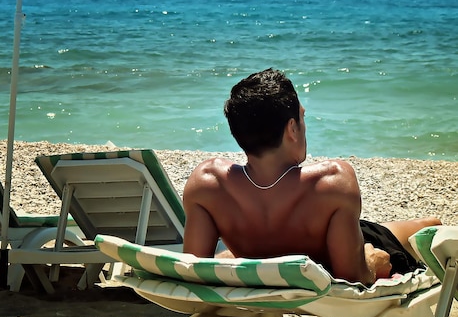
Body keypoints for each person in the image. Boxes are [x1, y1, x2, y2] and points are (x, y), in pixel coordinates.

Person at [182, 68, 441, 285]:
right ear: (292, 128)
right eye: (302, 117)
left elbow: (195, 271)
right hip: (349, 246)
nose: (304, 125)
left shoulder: (207, 185)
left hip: (275, 266)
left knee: (409, 228)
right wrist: (373, 263)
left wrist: (234, 260)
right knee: (432, 225)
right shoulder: (332, 183)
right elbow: (352, 277)